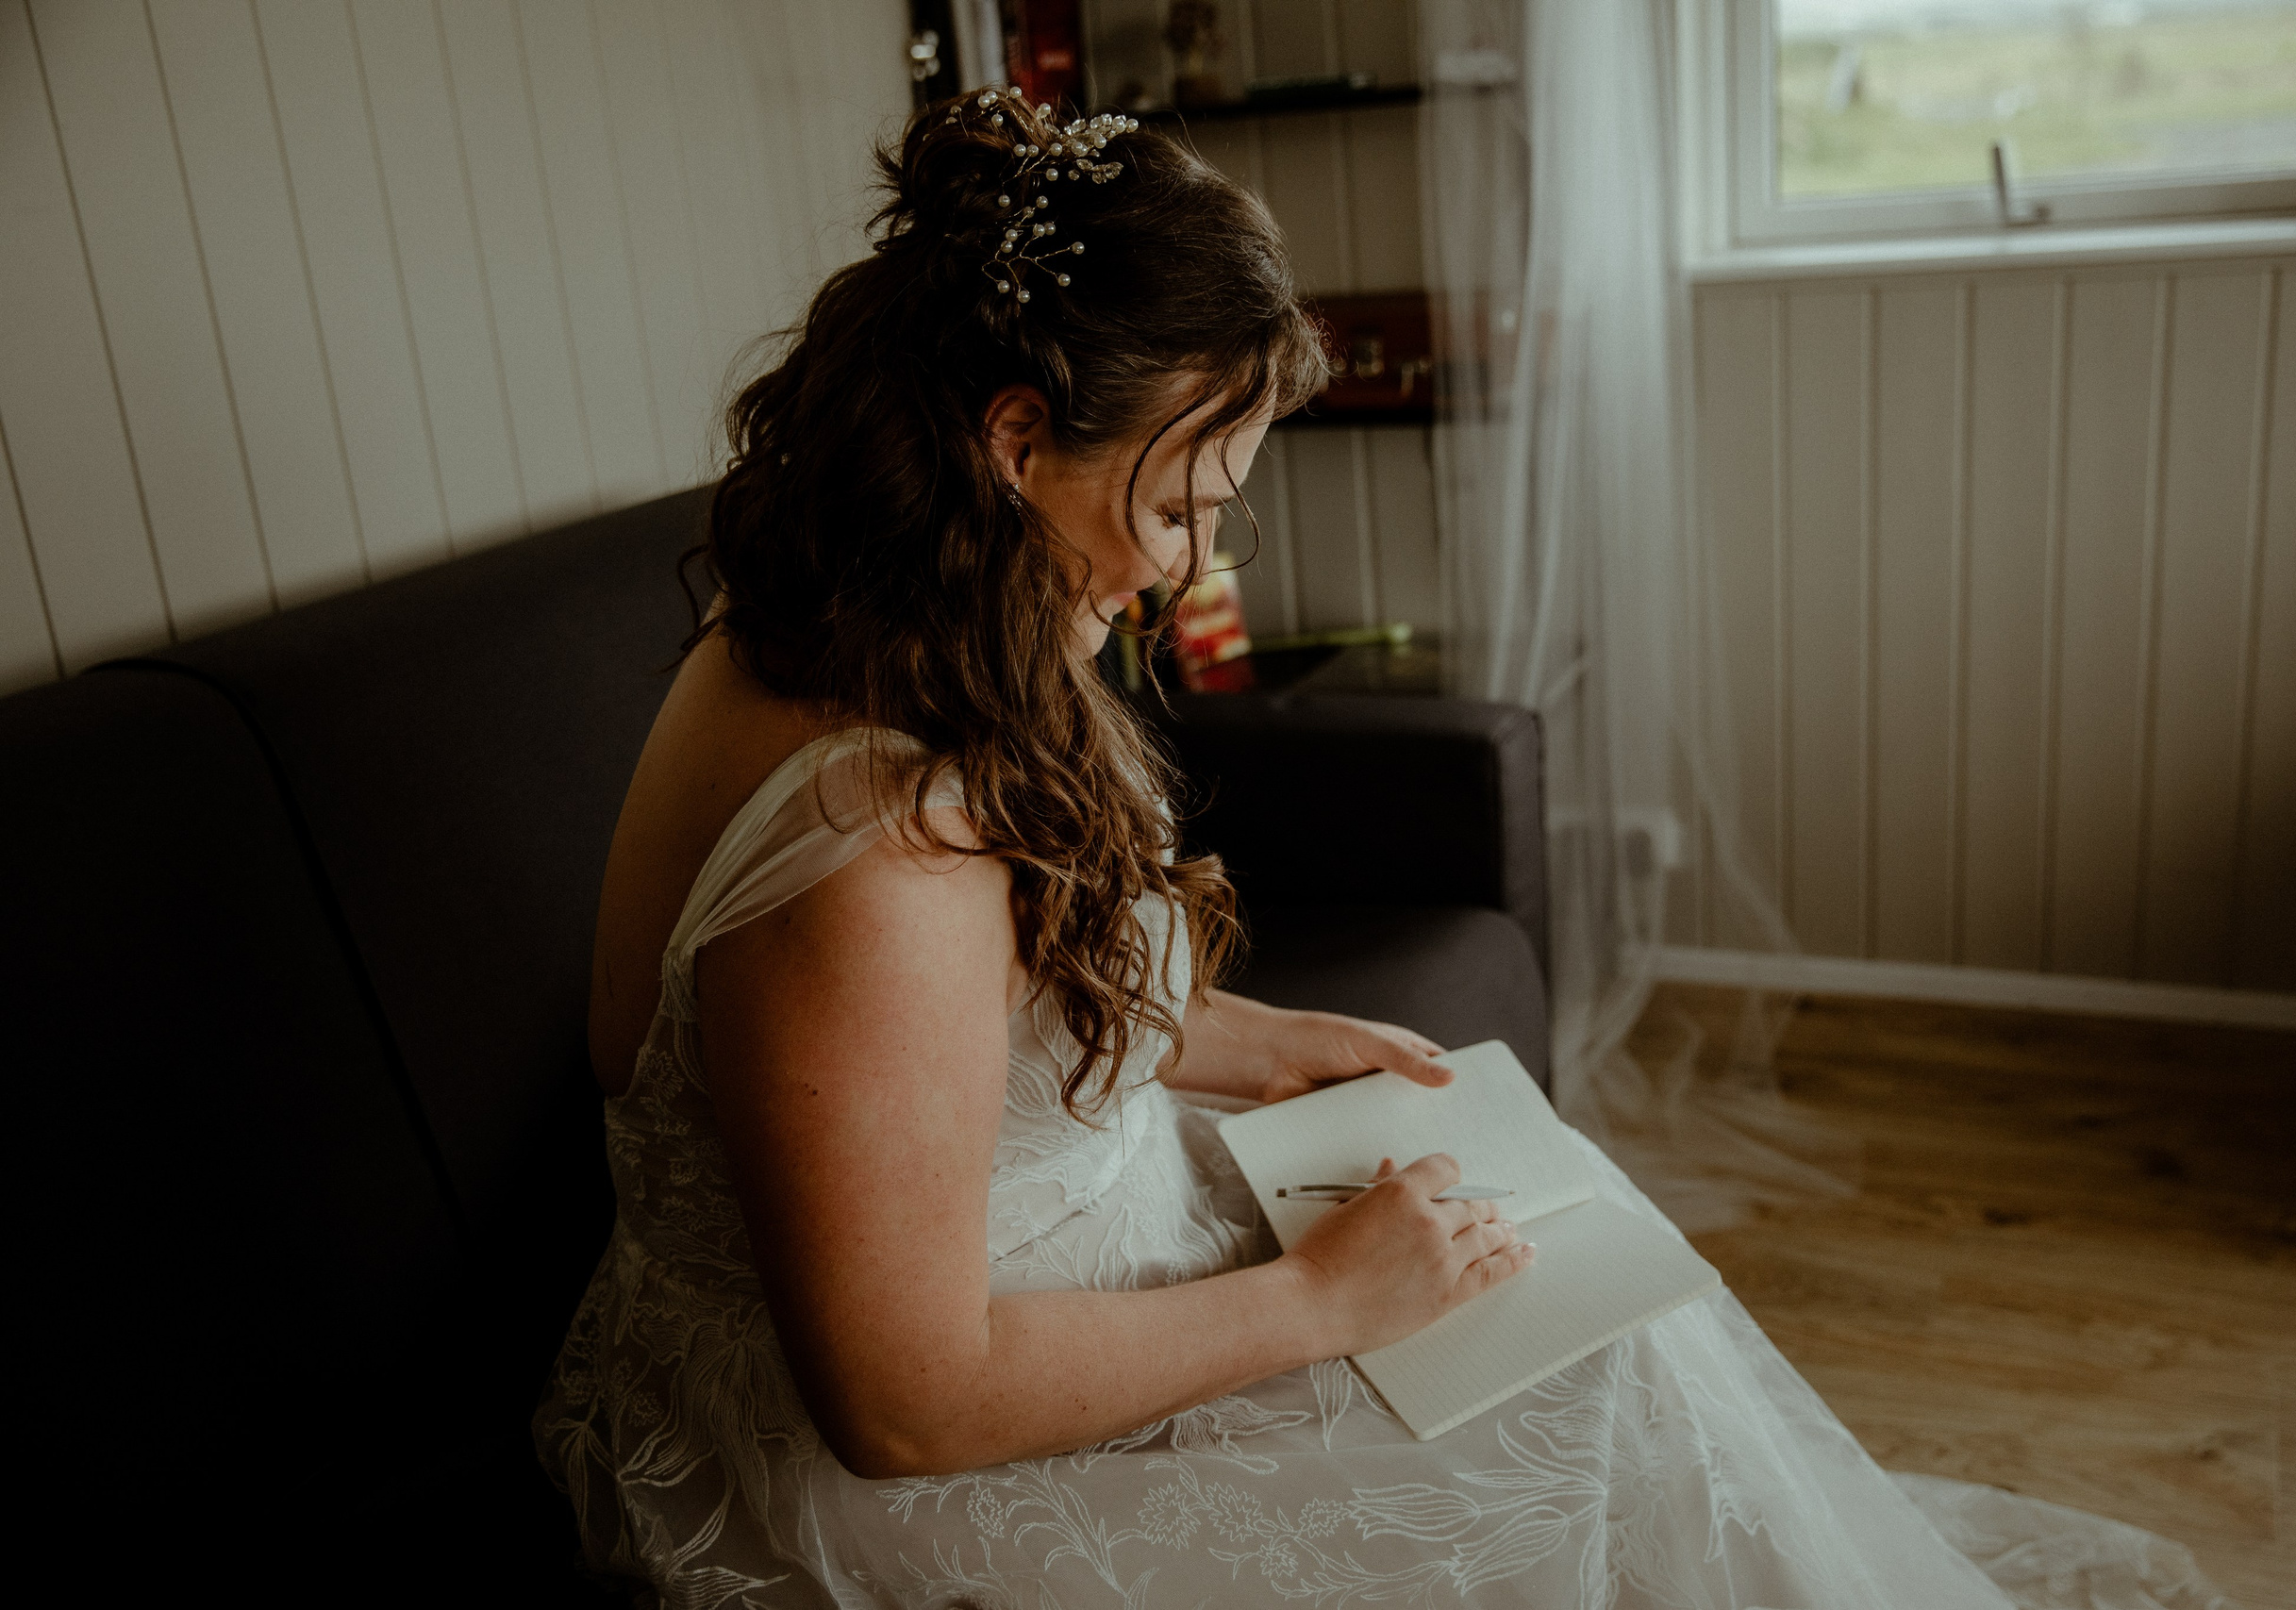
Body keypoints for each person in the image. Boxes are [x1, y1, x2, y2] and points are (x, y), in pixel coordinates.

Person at [537, 90, 2204, 1609]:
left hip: (1041, 1279)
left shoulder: (874, 618)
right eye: (1183, 504)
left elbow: (958, 1032)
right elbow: (900, 1405)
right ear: (1016, 438)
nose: (1187, 569)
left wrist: (1250, 1041)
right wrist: (1323, 1303)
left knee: (1561, 1248)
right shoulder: (873, 845)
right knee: (1579, 1377)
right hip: (898, 1481)